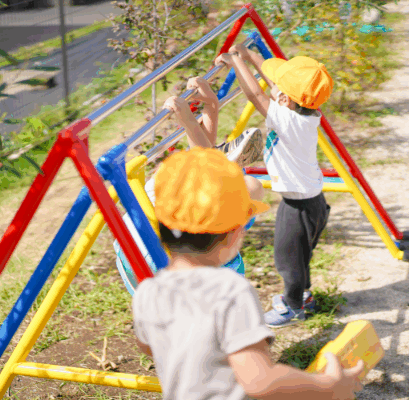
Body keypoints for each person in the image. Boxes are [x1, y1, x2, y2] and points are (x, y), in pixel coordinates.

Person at [132, 147, 364, 400]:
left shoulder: (148, 290)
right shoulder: (229, 289)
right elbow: (259, 381)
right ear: (234, 232)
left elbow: (148, 346)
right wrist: (328, 385)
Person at [215, 45, 332, 328]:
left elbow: (256, 94)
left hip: (298, 207)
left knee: (287, 258)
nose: (274, 89)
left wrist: (235, 61)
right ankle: (303, 296)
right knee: (300, 255)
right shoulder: (306, 113)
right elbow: (272, 82)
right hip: (313, 203)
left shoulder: (288, 120)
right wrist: (249, 55)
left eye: (279, 90)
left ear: (284, 100)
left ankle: (292, 307)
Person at [113, 77, 264, 295]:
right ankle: (219, 162)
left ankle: (220, 163)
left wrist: (193, 119)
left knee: (223, 183)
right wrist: (210, 108)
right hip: (150, 254)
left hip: (151, 251)